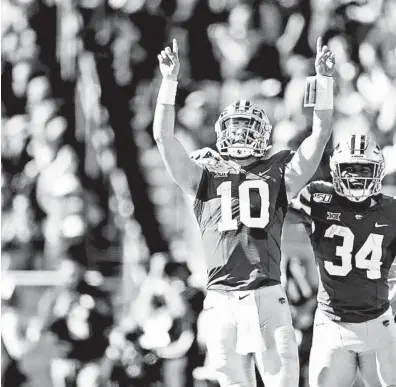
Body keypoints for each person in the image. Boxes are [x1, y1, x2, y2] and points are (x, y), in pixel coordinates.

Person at [153, 37, 335, 387]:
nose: (240, 134)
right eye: (234, 127)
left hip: (265, 294)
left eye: (247, 128)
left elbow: (319, 137)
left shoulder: (278, 170)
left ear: (263, 136)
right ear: (221, 133)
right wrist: (169, 81)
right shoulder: (204, 172)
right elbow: (163, 139)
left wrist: (323, 81)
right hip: (223, 299)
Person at [289, 134, 396, 387]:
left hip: (378, 321)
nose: (357, 177)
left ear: (378, 171)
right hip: (332, 323)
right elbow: (272, 214)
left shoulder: (392, 209)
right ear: (336, 170)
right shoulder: (317, 197)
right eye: (350, 169)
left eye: (364, 169)